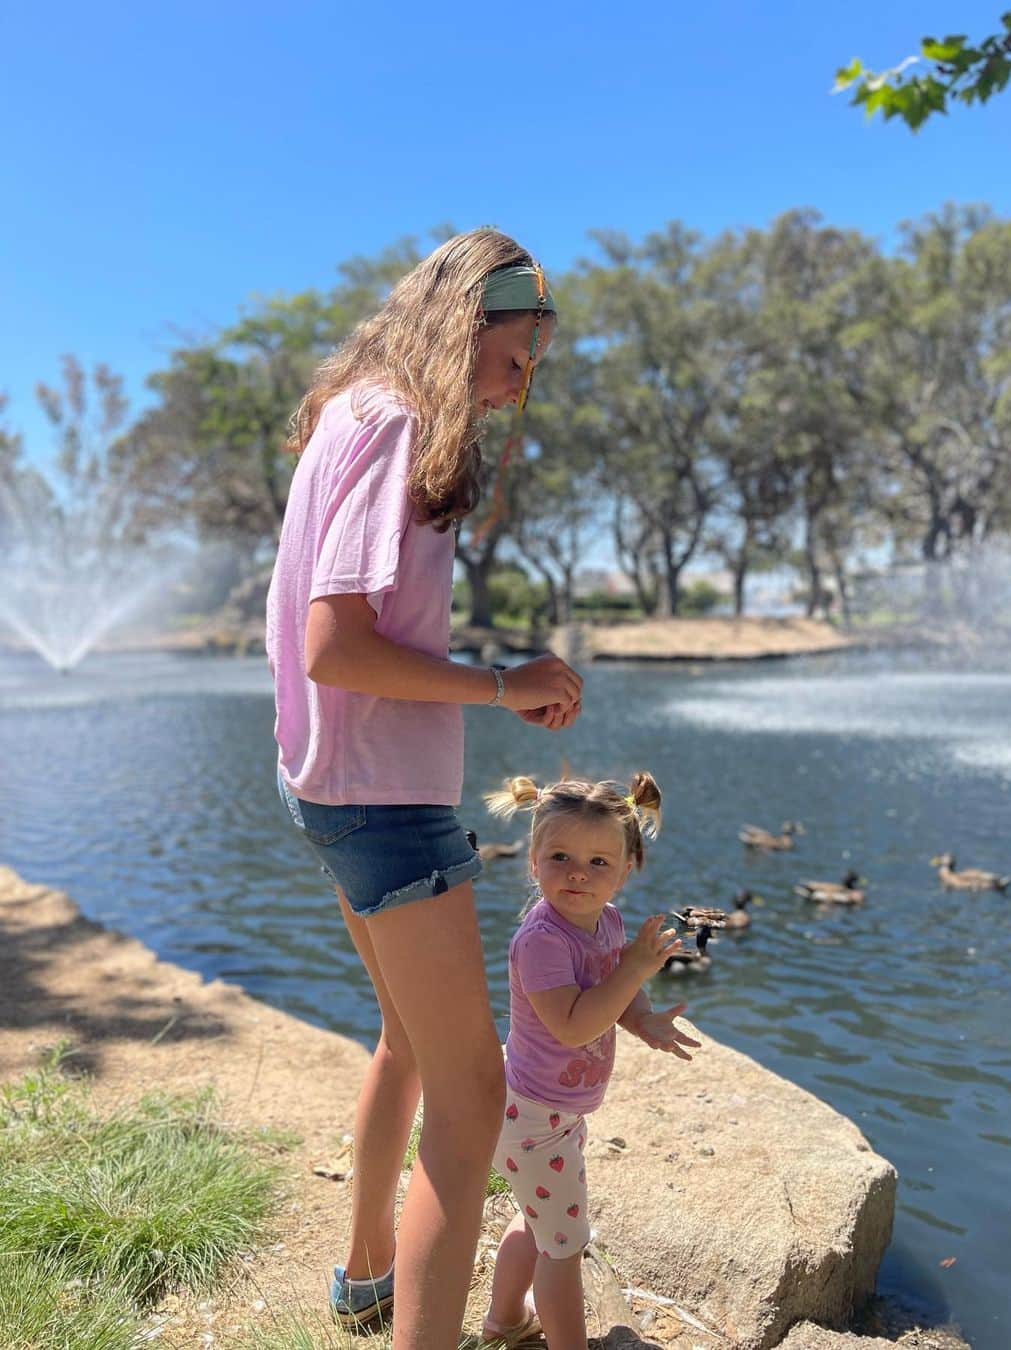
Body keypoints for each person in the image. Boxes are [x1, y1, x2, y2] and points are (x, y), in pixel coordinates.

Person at [265, 229, 583, 1350]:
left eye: (545, 343)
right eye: (520, 335)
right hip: (385, 805)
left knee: (405, 1041)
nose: (530, 364)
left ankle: (364, 1281)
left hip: (332, 791)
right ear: (467, 315)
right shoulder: (395, 421)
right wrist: (503, 684)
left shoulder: (352, 411)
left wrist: (490, 684)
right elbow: (334, 648)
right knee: (471, 1096)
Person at [479, 772, 701, 1349]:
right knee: (564, 1247)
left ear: (628, 869)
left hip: (556, 1110)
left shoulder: (606, 921)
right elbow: (574, 1023)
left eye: (599, 862)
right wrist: (634, 969)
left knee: (536, 1222)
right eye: (560, 856)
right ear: (532, 861)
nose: (579, 873)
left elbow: (612, 989)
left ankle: (505, 1320)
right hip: (532, 1117)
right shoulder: (543, 942)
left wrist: (642, 1016)